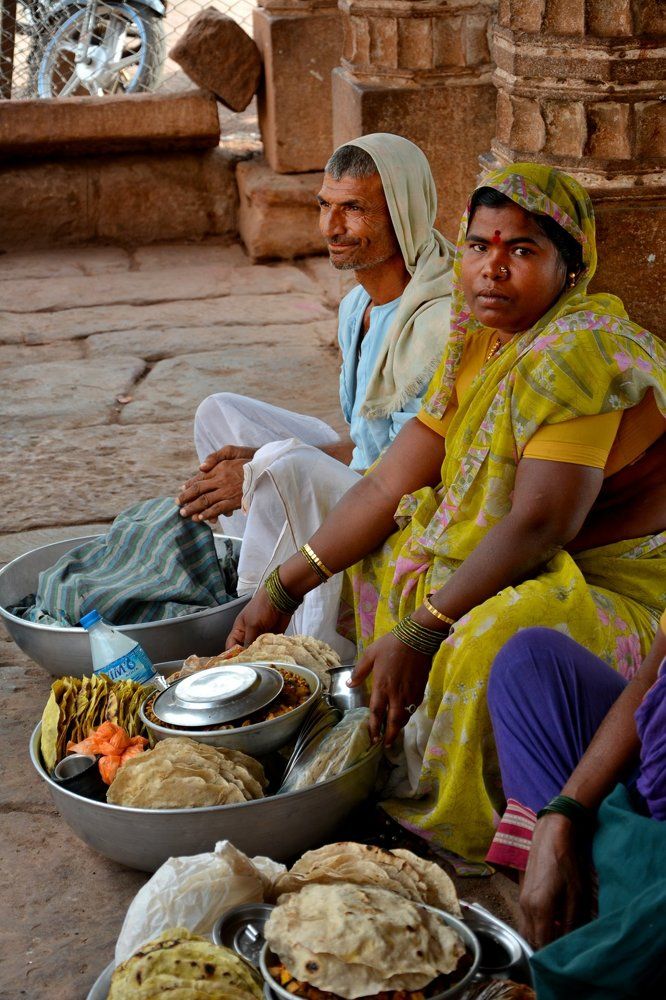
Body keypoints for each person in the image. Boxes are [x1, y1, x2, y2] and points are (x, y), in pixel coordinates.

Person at [227, 162, 666, 862]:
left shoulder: (577, 350)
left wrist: (426, 629)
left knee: (486, 632)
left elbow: (539, 524)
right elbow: (384, 485)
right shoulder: (479, 337)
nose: (492, 269)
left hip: (627, 590)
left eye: (522, 250)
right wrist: (283, 586)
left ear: (570, 267)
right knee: (386, 558)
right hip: (552, 557)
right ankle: (392, 743)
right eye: (479, 246)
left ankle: (490, 823)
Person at [177, 133, 453, 656]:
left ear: (403, 212)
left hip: (408, 514)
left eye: (354, 209)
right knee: (220, 413)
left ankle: (308, 634)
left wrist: (265, 469)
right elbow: (365, 445)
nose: (331, 227)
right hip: (373, 474)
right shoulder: (356, 307)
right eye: (325, 206)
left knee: (281, 464)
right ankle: (259, 586)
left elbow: (409, 475)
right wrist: (258, 461)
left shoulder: (438, 321)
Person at [486, 619, 666, 998]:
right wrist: (562, 812)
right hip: (653, 785)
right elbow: (650, 680)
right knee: (529, 661)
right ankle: (560, 900)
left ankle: (598, 922)